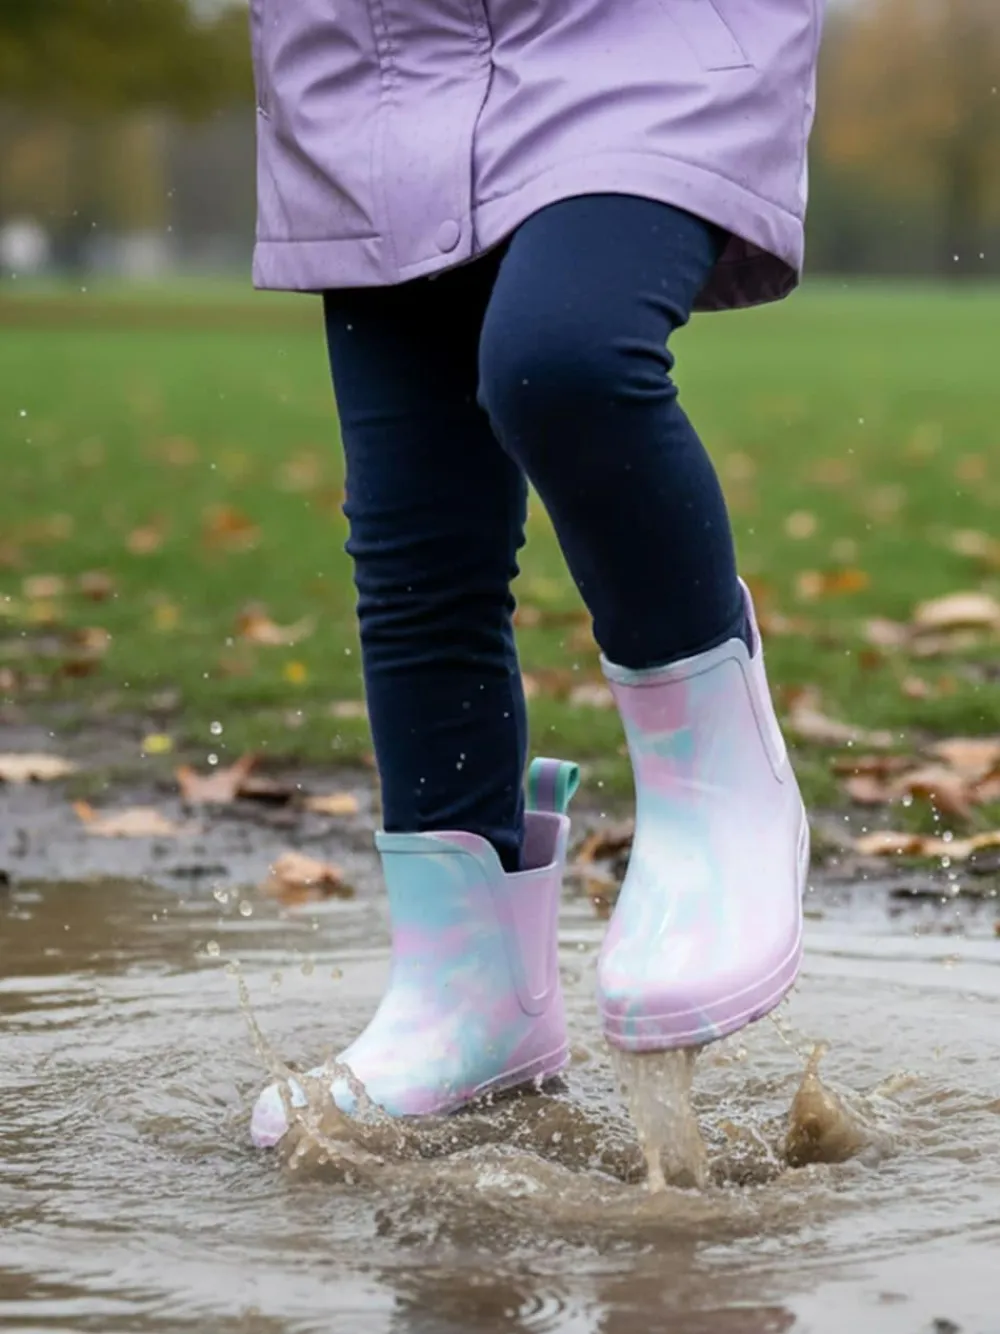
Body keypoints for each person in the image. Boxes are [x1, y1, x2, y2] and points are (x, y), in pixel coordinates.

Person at [249, 0, 821, 1148]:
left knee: (561, 361)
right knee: (416, 534)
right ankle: (467, 994)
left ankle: (722, 794)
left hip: (633, 32)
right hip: (374, 56)